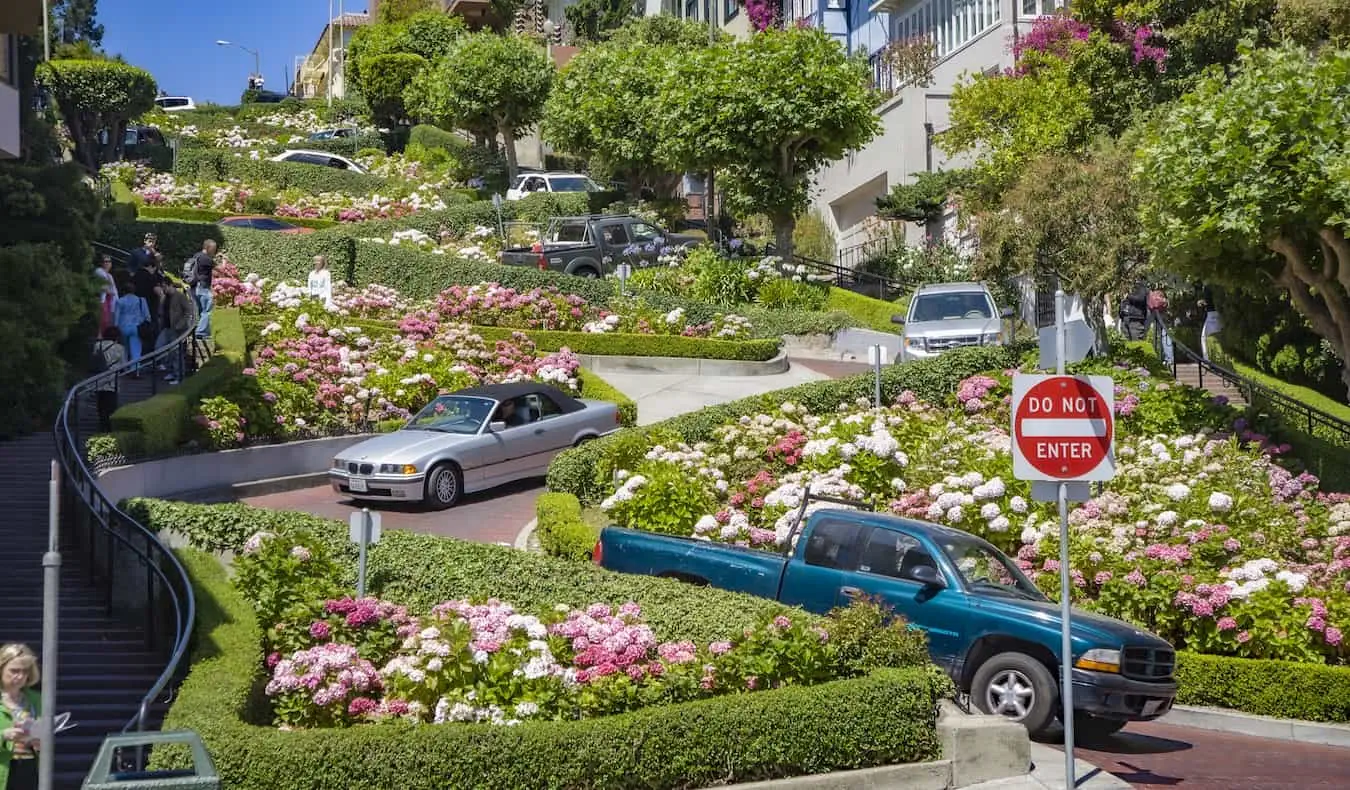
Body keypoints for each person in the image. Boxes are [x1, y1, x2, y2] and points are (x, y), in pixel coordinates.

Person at [1, 643, 43, 790]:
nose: (20, 676)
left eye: (25, 671)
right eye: (14, 671)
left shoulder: (36, 699)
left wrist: (40, 741)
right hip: (3, 768)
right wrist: (4, 736)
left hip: (29, 768)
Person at [155, 283, 193, 384]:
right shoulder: (165, 298)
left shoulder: (180, 296)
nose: (163, 289)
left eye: (164, 286)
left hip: (177, 328)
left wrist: (180, 324)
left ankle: (178, 375)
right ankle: (171, 370)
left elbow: (188, 311)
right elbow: (162, 311)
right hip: (167, 327)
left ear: (170, 285)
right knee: (159, 347)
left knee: (176, 352)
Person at [112, 276, 151, 374]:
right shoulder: (141, 300)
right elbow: (147, 316)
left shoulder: (120, 301)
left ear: (124, 291)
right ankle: (136, 369)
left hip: (123, 327)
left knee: (124, 348)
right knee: (136, 349)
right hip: (136, 327)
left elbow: (116, 318)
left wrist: (115, 328)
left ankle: (125, 369)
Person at [185, 240, 218, 339]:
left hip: (194, 286)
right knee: (207, 310)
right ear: (208, 248)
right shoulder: (206, 259)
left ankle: (193, 331)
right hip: (203, 287)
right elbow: (220, 269)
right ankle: (201, 332)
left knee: (197, 310)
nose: (214, 251)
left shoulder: (196, 255)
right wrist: (224, 261)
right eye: (213, 249)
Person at [1146, 286, 1174, 366]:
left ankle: (1166, 358)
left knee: (1143, 332)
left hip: (1152, 313)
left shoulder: (1149, 293)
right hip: (1161, 315)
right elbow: (1166, 304)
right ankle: (1169, 359)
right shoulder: (1161, 294)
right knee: (1165, 335)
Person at [1197, 282, 1222, 360]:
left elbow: (1210, 300)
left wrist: (1203, 303)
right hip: (1216, 314)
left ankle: (1208, 359)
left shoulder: (1209, 287)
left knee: (1205, 337)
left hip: (1212, 314)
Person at [93, 254, 117, 333]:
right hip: (103, 301)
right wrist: (111, 292)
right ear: (101, 263)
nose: (107, 263)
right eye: (105, 261)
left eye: (109, 261)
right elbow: (104, 287)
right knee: (103, 322)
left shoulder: (109, 275)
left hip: (110, 302)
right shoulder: (99, 271)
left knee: (108, 323)